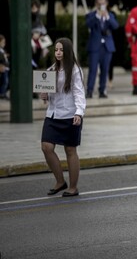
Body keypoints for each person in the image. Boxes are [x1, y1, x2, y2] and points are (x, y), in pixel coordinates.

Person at [40, 38, 86, 197]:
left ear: (67, 51)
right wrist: (44, 95)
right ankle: (60, 181)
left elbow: (79, 93)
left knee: (70, 150)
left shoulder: (74, 70)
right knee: (46, 147)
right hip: (53, 114)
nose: (58, 53)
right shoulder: (51, 70)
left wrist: (79, 113)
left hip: (70, 115)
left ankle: (73, 187)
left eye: (61, 50)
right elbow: (47, 95)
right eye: (56, 50)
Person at [85, 0, 119, 99]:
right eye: (99, 4)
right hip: (95, 47)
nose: (101, 6)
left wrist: (107, 17)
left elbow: (115, 26)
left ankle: (102, 90)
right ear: (96, 4)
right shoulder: (91, 15)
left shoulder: (111, 15)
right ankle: (89, 90)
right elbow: (88, 24)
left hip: (107, 47)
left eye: (103, 3)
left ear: (107, 4)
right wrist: (98, 15)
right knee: (93, 69)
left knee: (105, 69)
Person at [0, 34, 9, 100]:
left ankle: (4, 92)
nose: (4, 44)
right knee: (4, 81)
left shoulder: (3, 50)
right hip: (2, 68)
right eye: (3, 42)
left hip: (6, 68)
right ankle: (2, 93)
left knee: (6, 81)